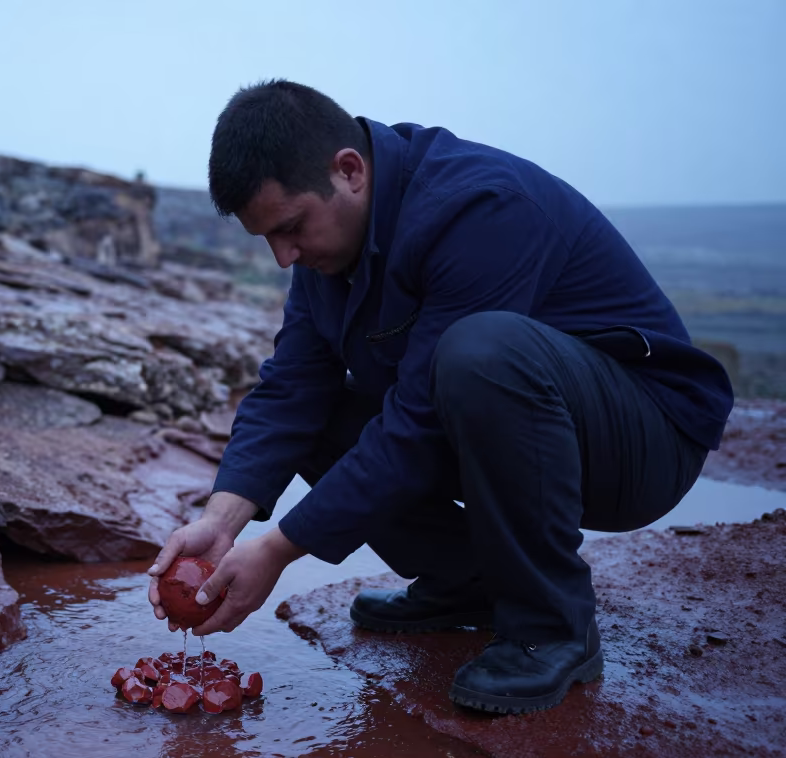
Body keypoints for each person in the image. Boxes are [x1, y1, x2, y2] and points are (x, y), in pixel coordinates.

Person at [147, 80, 733, 714]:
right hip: (517, 430)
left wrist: (281, 548)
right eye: (267, 239)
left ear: (350, 171)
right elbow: (291, 387)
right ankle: (471, 581)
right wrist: (221, 521)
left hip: (639, 442)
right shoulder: (328, 252)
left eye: (290, 228)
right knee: (317, 421)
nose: (284, 256)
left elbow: (419, 420)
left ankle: (551, 624)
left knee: (481, 350)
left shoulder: (480, 207)